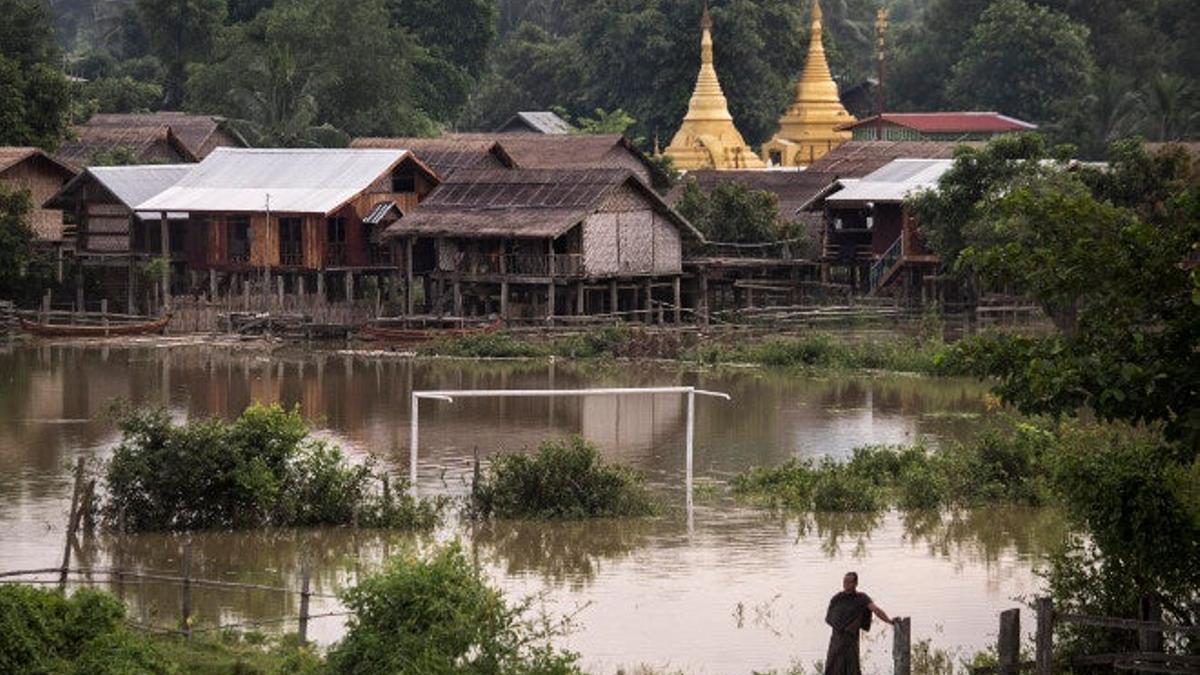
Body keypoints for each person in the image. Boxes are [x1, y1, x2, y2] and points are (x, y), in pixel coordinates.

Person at [823, 571, 895, 675]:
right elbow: (830, 618)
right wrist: (842, 626)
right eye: (844, 581)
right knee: (833, 667)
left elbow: (875, 610)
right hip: (836, 640)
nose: (846, 584)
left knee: (852, 668)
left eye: (849, 582)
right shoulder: (837, 599)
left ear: (856, 583)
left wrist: (889, 621)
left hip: (851, 640)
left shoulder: (861, 598)